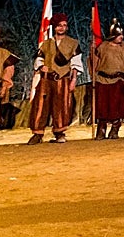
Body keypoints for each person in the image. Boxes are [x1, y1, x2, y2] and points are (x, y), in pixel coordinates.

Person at [27, 13, 84, 144]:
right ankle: (37, 133)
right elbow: (39, 58)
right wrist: (41, 67)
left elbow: (76, 62)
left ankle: (59, 132)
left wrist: (74, 80)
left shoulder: (73, 43)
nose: (62, 28)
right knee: (40, 105)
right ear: (54, 27)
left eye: (64, 25)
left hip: (62, 79)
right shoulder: (46, 44)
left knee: (61, 106)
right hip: (46, 79)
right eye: (59, 26)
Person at [91, 18, 124, 141]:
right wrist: (92, 51)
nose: (121, 37)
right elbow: (95, 64)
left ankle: (115, 128)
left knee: (116, 106)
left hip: (118, 79)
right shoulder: (102, 46)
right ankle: (101, 129)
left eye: (122, 35)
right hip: (102, 79)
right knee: (102, 106)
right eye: (119, 35)